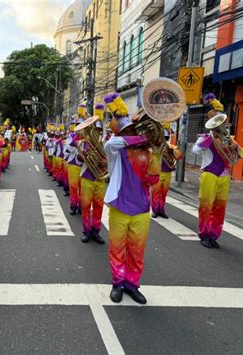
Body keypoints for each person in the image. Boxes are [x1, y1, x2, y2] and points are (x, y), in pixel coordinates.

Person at [103, 93, 162, 305]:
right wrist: (145, 137)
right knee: (117, 248)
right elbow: (114, 143)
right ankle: (117, 283)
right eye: (126, 129)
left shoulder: (148, 152)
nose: (130, 132)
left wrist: (157, 151)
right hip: (120, 205)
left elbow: (154, 178)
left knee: (137, 252)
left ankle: (132, 284)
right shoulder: (114, 148)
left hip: (142, 207)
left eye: (132, 129)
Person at [192, 93, 243, 249]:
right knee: (206, 206)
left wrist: (233, 145)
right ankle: (204, 234)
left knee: (219, 209)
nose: (222, 126)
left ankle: (214, 235)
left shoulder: (227, 138)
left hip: (224, 176)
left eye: (223, 123)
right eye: (219, 123)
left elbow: (242, 154)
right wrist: (209, 138)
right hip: (210, 174)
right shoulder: (205, 137)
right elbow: (195, 150)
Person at [78, 105, 106, 245]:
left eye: (99, 130)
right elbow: (78, 159)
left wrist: (105, 162)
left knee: (99, 206)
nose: (97, 132)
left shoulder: (106, 142)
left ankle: (96, 231)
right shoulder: (85, 143)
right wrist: (84, 156)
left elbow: (112, 161)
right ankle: (86, 231)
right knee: (85, 206)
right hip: (88, 177)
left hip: (100, 178)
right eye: (95, 129)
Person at [151, 127, 181, 219]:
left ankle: (161, 210)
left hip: (167, 173)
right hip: (158, 172)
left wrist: (173, 151)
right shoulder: (155, 147)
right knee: (156, 193)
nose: (164, 139)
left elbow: (179, 156)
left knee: (164, 193)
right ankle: (155, 211)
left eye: (165, 137)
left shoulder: (172, 147)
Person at [66, 119, 83, 215]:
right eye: (78, 125)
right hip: (73, 164)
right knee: (73, 187)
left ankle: (81, 206)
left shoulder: (87, 137)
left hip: (84, 166)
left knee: (82, 188)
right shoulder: (71, 136)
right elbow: (68, 148)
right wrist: (75, 141)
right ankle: (73, 206)